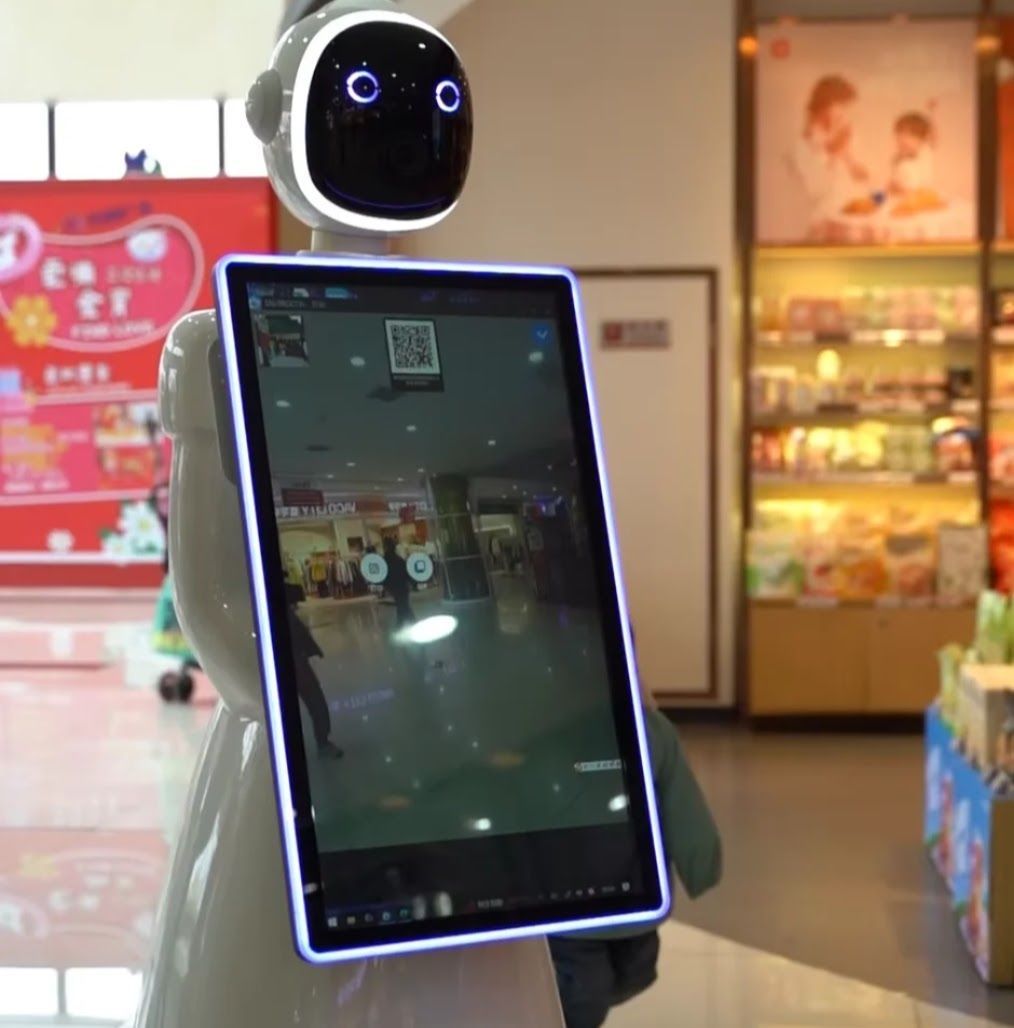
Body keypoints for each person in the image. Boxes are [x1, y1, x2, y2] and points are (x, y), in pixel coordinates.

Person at [548, 663, 722, 1028]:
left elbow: (681, 801)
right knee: (585, 992)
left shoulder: (651, 731)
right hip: (572, 906)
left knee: (635, 973)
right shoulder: (547, 738)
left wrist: (700, 862)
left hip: (634, 895)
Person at [788, 75, 869, 239]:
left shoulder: (845, 137)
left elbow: (864, 178)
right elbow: (815, 190)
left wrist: (847, 155)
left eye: (847, 107)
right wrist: (832, 153)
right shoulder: (804, 144)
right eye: (840, 106)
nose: (845, 113)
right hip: (823, 223)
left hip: (850, 215)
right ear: (823, 106)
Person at [286, 583, 342, 759]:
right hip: (297, 664)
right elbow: (299, 635)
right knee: (315, 701)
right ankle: (323, 743)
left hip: (294, 662)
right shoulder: (287, 615)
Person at [888, 110, 938, 205]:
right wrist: (892, 187)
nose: (902, 139)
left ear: (922, 138)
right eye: (899, 134)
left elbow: (933, 135)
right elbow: (895, 183)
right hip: (906, 202)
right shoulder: (898, 161)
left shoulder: (925, 153)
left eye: (909, 135)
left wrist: (932, 114)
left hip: (925, 200)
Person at [383, 536, 415, 627]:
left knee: (401, 604)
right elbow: (406, 571)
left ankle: (402, 623)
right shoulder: (399, 559)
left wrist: (385, 586)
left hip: (393, 586)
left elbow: (383, 575)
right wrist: (410, 582)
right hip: (402, 585)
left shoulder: (385, 560)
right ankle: (405, 622)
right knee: (403, 604)